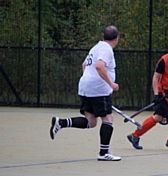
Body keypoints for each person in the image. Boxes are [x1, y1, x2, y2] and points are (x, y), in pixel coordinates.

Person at [50, 25, 121, 161]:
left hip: (84, 87)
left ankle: (61, 123)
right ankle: (104, 153)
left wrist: (89, 80)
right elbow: (99, 66)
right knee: (108, 119)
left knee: (91, 121)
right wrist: (111, 84)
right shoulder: (106, 49)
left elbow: (84, 65)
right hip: (99, 89)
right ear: (116, 39)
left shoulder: (96, 47)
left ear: (103, 37)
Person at [127, 38, 168, 150]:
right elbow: (155, 78)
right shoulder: (164, 60)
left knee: (158, 117)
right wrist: (157, 95)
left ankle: (135, 135)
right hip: (164, 92)